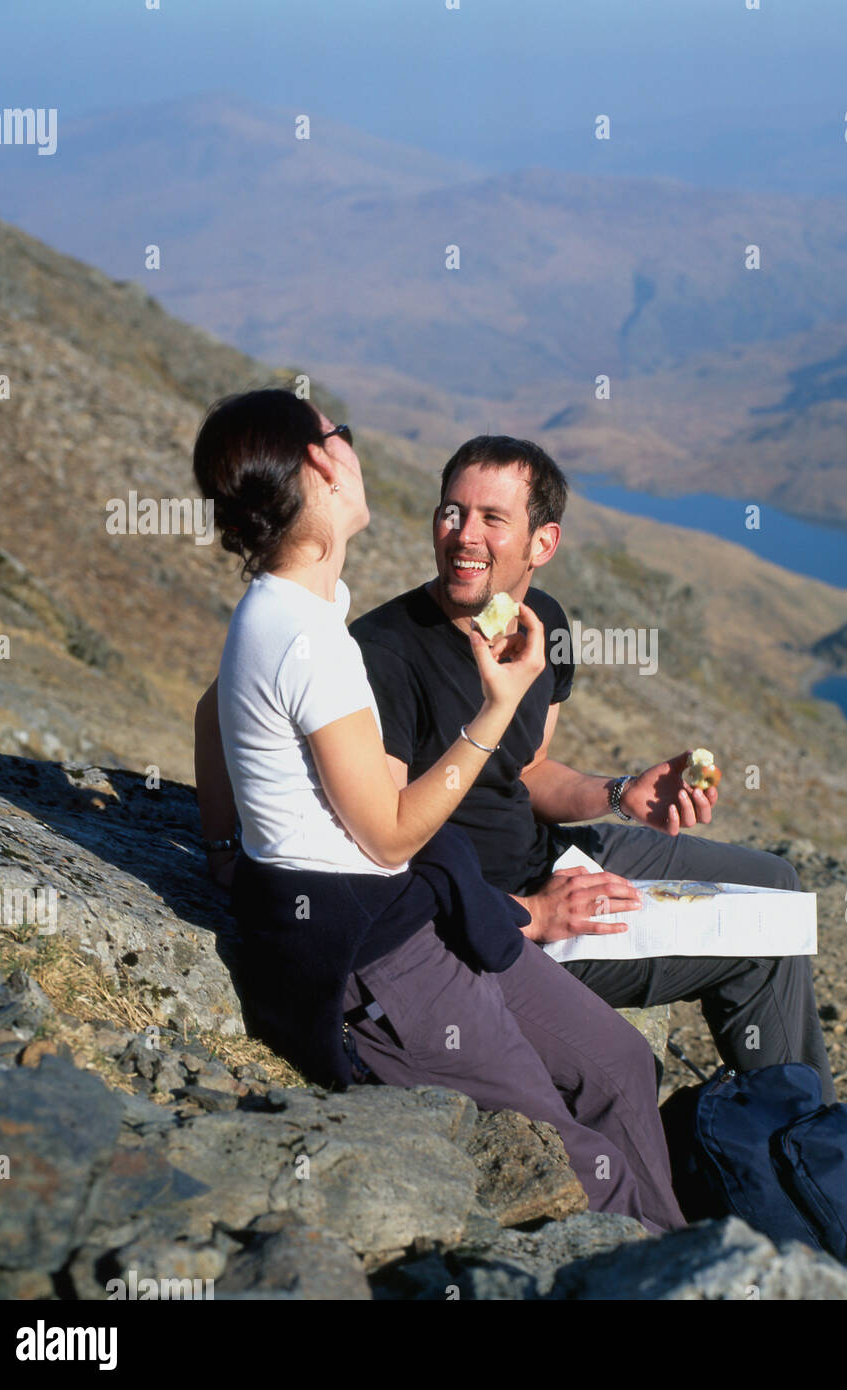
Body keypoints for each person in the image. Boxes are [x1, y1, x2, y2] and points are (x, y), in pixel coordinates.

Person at [191, 390, 684, 1234]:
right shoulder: (310, 638)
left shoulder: (298, 611)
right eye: (339, 439)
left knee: (618, 1064)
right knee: (564, 1151)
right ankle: (679, 1272)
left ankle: (683, 1250)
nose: (353, 452)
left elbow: (213, 710)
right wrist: (495, 708)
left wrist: (233, 851)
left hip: (419, 917)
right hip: (383, 958)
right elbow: (388, 831)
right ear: (320, 465)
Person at [350, 435, 835, 1100]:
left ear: (541, 543)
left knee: (777, 884)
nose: (462, 536)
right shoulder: (383, 654)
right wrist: (525, 913)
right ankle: (797, 1153)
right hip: (494, 917)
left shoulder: (541, 622)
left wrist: (619, 792)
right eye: (451, 512)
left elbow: (529, 770)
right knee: (764, 941)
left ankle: (785, 1137)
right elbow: (382, 846)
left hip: (556, 855)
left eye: (493, 519)